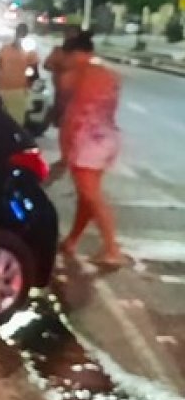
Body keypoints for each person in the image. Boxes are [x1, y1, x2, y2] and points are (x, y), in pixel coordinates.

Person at [58, 33, 125, 266]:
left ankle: (112, 249)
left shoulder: (78, 75)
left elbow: (74, 114)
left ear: (75, 54)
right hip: (107, 137)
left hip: (87, 141)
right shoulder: (109, 74)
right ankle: (72, 240)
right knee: (86, 196)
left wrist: (65, 149)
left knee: (91, 196)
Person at [0, 23, 39, 126]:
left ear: (26, 35)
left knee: (14, 123)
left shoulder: (30, 52)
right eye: (19, 32)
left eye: (23, 33)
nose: (20, 35)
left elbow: (34, 73)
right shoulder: (5, 48)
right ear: (16, 33)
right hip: (0, 90)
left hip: (18, 92)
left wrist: (27, 88)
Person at [43, 24, 81, 128]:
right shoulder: (57, 51)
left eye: (74, 34)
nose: (70, 36)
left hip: (77, 93)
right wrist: (58, 68)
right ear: (65, 35)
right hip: (60, 92)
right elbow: (46, 65)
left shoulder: (81, 54)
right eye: (68, 33)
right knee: (58, 119)